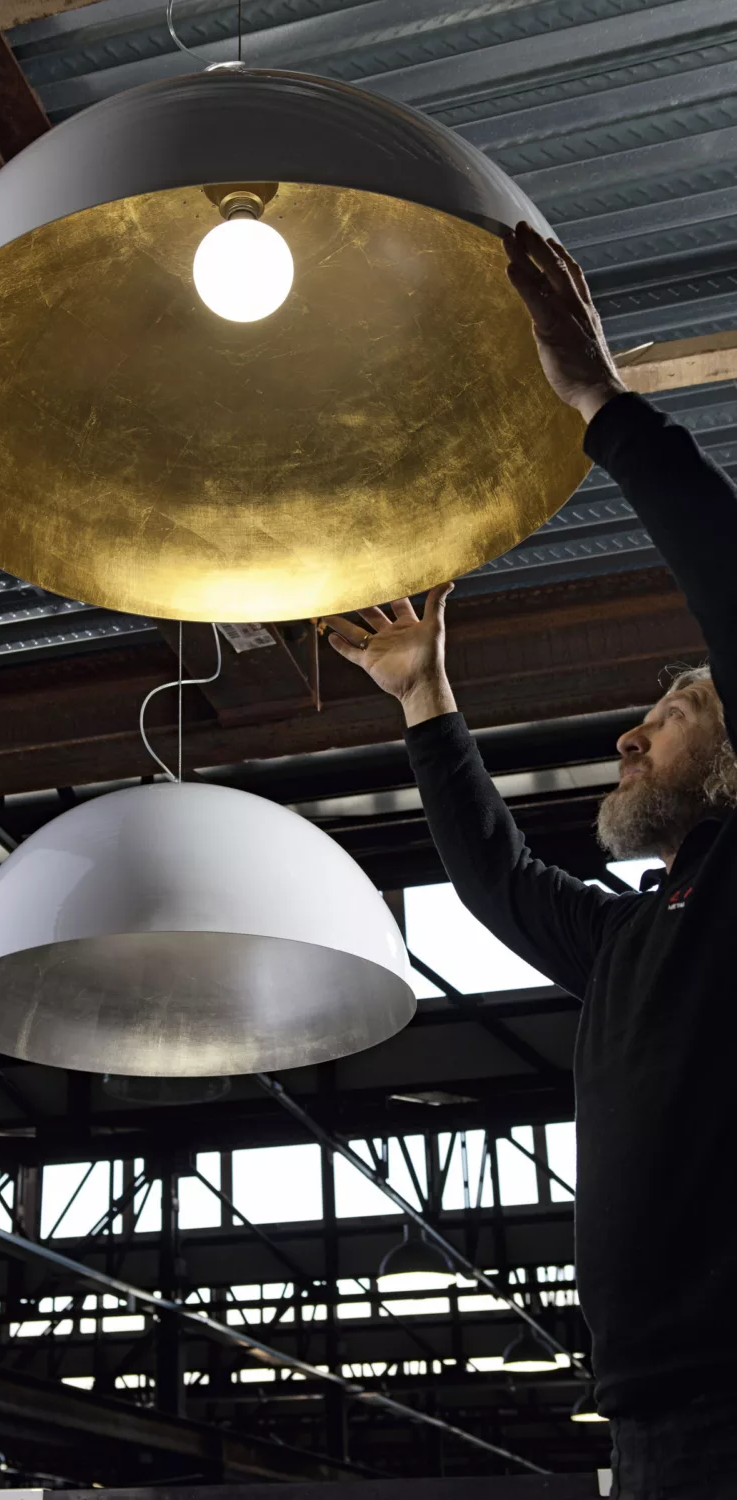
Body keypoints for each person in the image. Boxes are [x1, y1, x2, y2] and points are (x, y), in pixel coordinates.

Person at [327, 222, 737, 1499]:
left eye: (674, 710)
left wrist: (601, 404)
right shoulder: (633, 939)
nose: (630, 734)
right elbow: (495, 881)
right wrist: (423, 696)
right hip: (650, 1428)